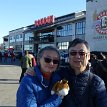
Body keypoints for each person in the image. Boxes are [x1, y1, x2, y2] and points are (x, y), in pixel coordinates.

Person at [58, 38, 107, 107]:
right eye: (73, 53)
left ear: (88, 56)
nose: (77, 56)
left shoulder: (97, 83)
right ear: (68, 56)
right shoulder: (59, 75)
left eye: (82, 53)